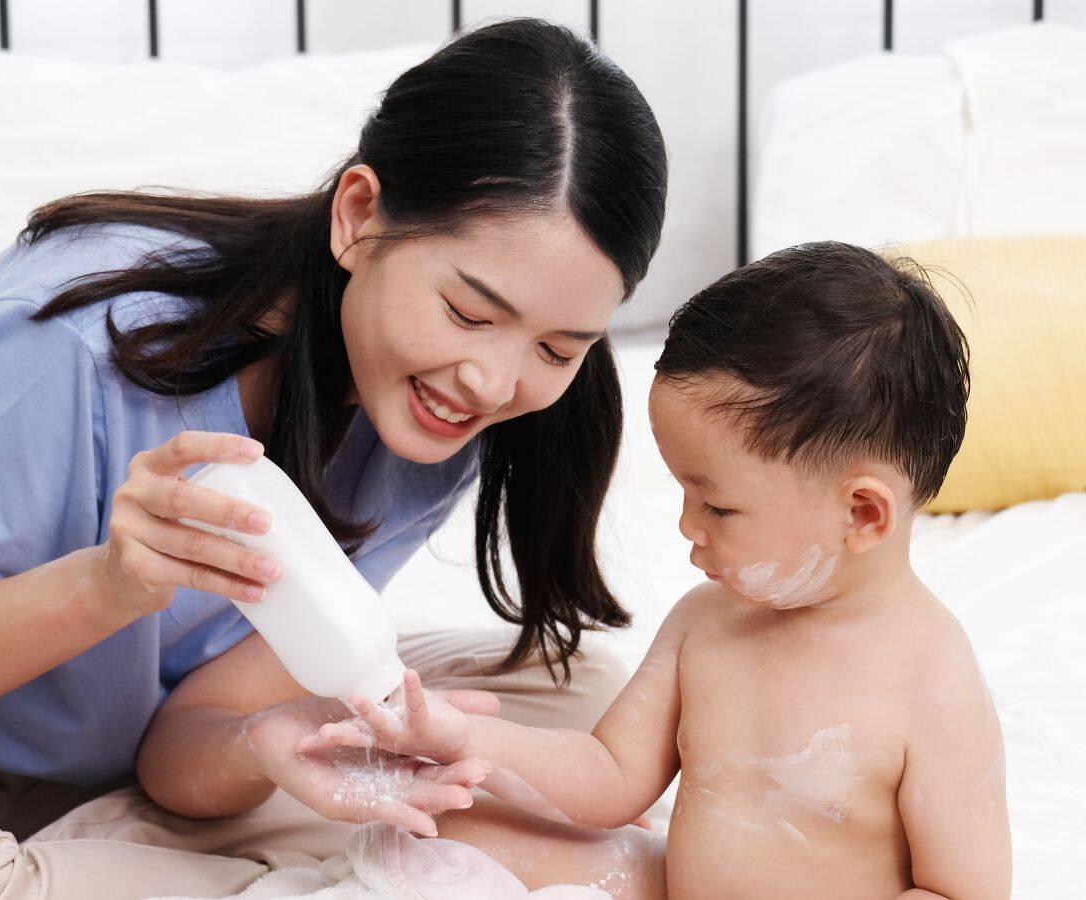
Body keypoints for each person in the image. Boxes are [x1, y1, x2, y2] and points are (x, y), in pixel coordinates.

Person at [0, 18, 667, 899]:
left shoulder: (430, 410)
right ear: (359, 215)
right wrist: (110, 586)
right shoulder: (78, 341)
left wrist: (260, 749)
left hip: (113, 741)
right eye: (468, 311)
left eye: (556, 348)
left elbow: (186, 738)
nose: (492, 382)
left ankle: (112, 851)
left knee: (582, 701)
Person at [308, 242, 1013, 898]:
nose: (685, 525)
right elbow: (610, 778)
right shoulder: (707, 623)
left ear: (862, 514)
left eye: (717, 506)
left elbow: (964, 891)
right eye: (683, 493)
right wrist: (463, 740)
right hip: (672, 885)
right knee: (423, 834)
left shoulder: (931, 682)